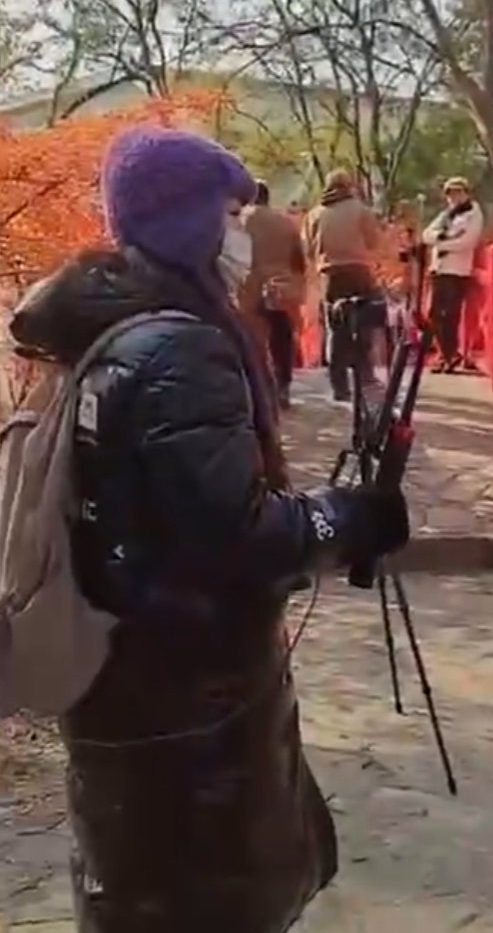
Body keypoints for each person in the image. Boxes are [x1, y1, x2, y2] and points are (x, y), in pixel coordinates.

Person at [8, 127, 410, 933]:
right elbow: (237, 537)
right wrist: (348, 515)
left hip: (120, 673)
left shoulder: (99, 329)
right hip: (191, 699)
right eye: (229, 213)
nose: (241, 233)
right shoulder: (181, 350)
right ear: (188, 223)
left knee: (136, 894)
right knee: (204, 902)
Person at [303, 168, 380, 401]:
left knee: (336, 329)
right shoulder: (362, 211)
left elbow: (307, 249)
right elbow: (374, 242)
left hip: (330, 274)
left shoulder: (314, 214)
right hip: (359, 271)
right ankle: (365, 377)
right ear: (350, 186)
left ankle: (339, 387)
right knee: (363, 324)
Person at [243, 180, 307, 409]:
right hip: (281, 288)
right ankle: (283, 387)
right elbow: (299, 260)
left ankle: (257, 391)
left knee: (252, 342)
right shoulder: (285, 223)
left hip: (248, 288)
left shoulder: (240, 221)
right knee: (281, 339)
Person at [422, 177, 484, 374]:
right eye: (450, 193)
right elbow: (426, 234)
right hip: (439, 268)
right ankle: (447, 354)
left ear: (466, 193)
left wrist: (441, 243)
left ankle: (449, 355)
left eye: (457, 192)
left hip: (456, 270)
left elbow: (467, 242)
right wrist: (440, 238)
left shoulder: (473, 214)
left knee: (450, 314)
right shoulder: (446, 215)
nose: (453, 197)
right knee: (433, 314)